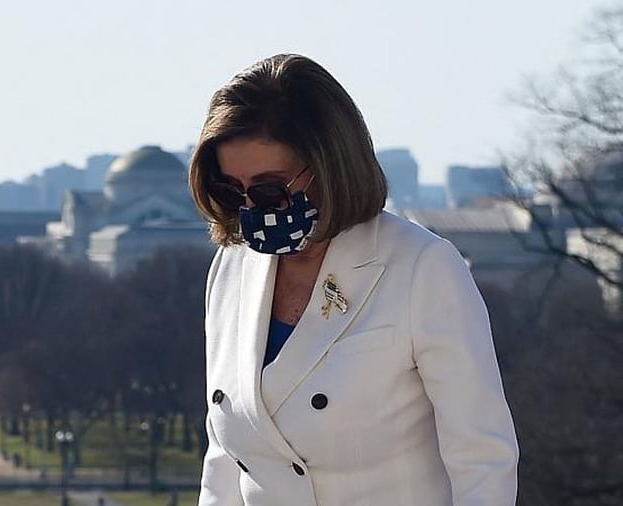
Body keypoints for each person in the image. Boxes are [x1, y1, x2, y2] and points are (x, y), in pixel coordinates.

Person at [189, 54, 518, 505]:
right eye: (231, 190)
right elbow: (224, 460)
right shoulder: (231, 269)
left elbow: (482, 461)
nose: (250, 208)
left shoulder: (422, 268)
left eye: (269, 190)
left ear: (329, 167)